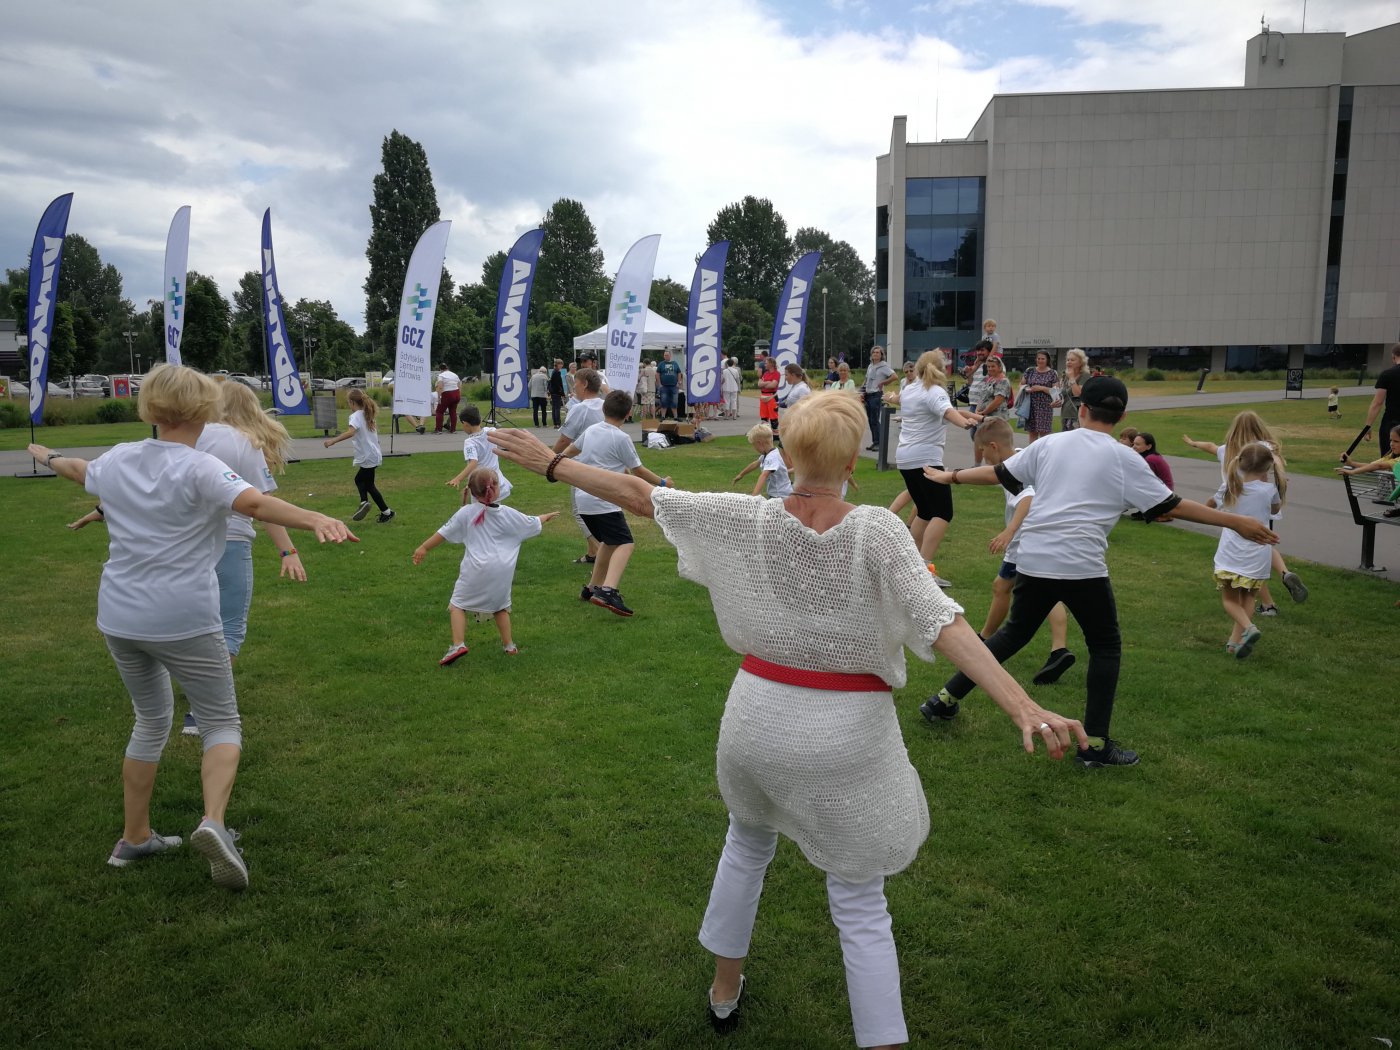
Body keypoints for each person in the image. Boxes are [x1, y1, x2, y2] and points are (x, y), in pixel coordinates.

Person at [487, 391, 1087, 1049]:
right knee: (858, 901)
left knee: (745, 844)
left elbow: (642, 498)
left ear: (788, 452)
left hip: (751, 721)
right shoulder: (875, 528)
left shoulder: (752, 517)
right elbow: (942, 619)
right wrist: (1021, 705)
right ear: (856, 456)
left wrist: (553, 464)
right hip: (842, 735)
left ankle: (724, 991)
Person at [28, 364, 354, 890]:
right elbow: (253, 502)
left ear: (148, 409)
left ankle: (134, 838)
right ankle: (213, 824)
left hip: (118, 615)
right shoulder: (199, 467)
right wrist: (316, 519)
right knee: (222, 723)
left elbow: (75, 469)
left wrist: (44, 454)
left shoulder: (118, 459)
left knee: (150, 720)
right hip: (182, 616)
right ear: (205, 412)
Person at [922, 376, 1278, 767]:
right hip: (1081, 565)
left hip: (1036, 560)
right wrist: (1234, 521)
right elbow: (1171, 506)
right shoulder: (1126, 458)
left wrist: (950, 475)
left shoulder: (1050, 442)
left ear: (1083, 410)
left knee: (1011, 636)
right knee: (1105, 647)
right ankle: (1093, 746)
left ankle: (942, 701)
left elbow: (999, 473)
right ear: (1122, 415)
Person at [967, 418, 1076, 684]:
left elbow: (1027, 497)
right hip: (1047, 537)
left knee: (1002, 587)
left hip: (1026, 542)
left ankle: (984, 643)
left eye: (983, 452)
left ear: (994, 446)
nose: (983, 459)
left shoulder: (1014, 470)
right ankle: (1058, 650)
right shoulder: (1023, 458)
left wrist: (1010, 531)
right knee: (1047, 593)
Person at [414, 468, 557, 663]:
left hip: (476, 568)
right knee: (501, 606)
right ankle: (509, 646)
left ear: (471, 491)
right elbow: (531, 523)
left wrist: (423, 547)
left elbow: (443, 533)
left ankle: (458, 645)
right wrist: (545, 516)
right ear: (496, 489)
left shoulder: (465, 513)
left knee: (457, 605)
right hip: (502, 570)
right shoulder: (508, 513)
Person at [1184, 411, 1306, 613]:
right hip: (1263, 507)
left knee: (1248, 557)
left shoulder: (1227, 450)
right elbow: (1278, 467)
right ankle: (1284, 574)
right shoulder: (1265, 449)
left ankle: (1266, 605)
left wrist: (1193, 443)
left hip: (1234, 511)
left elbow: (1211, 447)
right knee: (1262, 545)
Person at [565, 391, 672, 616]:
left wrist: (556, 463)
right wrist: (662, 482)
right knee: (625, 543)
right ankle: (608, 590)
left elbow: (569, 452)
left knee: (609, 542)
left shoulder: (591, 430)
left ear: (604, 410)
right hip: (604, 501)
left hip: (583, 500)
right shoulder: (620, 438)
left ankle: (592, 588)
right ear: (628, 413)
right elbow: (638, 470)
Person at [887, 350, 981, 587]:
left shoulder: (911, 388)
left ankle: (911, 566)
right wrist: (965, 423)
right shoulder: (934, 390)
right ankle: (924, 569)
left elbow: (936, 410)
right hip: (926, 459)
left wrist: (973, 416)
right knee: (943, 512)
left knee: (926, 512)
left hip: (906, 458)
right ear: (942, 369)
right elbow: (948, 413)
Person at [1212, 443, 1282, 659]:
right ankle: (1234, 642)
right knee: (1248, 598)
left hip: (1231, 551)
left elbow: (1212, 506)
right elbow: (1275, 509)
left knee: (1230, 600)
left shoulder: (1230, 486)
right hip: (1258, 551)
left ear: (1239, 463)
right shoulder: (1270, 490)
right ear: (1268, 467)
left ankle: (1248, 628)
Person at [553, 367, 606, 565]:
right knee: (598, 507)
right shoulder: (604, 406)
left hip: (581, 464)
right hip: (604, 462)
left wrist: (548, 460)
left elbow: (564, 440)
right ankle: (593, 552)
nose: (573, 387)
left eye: (576, 383)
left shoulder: (580, 409)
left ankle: (600, 550)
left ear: (584, 384)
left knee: (579, 509)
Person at [324, 388, 394, 523]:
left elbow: (351, 432)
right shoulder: (368, 414)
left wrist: (332, 441)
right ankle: (386, 512)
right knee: (368, 484)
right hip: (373, 454)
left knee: (360, 480)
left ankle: (364, 503)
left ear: (351, 402)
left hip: (368, 455)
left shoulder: (356, 416)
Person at [444, 403, 514, 499]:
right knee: (494, 510)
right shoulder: (491, 431)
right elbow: (507, 435)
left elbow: (473, 463)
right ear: (480, 420)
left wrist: (458, 479)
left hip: (481, 485)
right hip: (497, 483)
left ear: (465, 424)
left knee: (480, 511)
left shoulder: (470, 442)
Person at [1337, 424, 1400, 518]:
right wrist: (1351, 463)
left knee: (1385, 476)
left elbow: (1378, 466)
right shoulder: (1391, 457)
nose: (1391, 443)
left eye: (1396, 441)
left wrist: (1353, 472)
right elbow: (1372, 466)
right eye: (1391, 440)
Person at [969, 355, 1012, 466]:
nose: (990, 369)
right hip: (983, 418)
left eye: (993, 366)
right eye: (988, 367)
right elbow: (982, 396)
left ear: (999, 367)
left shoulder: (1003, 381)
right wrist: (978, 410)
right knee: (979, 440)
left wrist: (984, 412)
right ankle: (977, 466)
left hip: (996, 418)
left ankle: (1000, 467)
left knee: (996, 444)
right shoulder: (989, 379)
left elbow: (998, 400)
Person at [734, 422, 792, 498]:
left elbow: (764, 475)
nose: (755, 448)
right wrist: (741, 474)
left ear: (760, 443)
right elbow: (756, 463)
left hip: (781, 496)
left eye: (754, 445)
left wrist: (754, 496)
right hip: (777, 494)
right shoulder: (768, 454)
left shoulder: (772, 457)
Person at [1360, 342, 1400, 450]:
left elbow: (1377, 403)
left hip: (1392, 423)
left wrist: (1368, 425)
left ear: (1393, 356)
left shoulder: (1387, 375)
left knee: (1389, 461)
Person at [861, 346, 898, 450]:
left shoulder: (884, 366)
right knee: (871, 420)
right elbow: (866, 379)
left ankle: (879, 443)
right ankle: (875, 441)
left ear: (881, 355)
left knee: (875, 419)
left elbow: (895, 376)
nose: (875, 354)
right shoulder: (870, 366)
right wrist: (862, 391)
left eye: (878, 352)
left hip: (876, 395)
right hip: (868, 394)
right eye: (874, 352)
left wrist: (883, 382)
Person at [1019, 351, 1058, 443]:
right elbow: (1021, 385)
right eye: (1038, 358)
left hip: (1045, 407)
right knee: (1032, 433)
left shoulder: (1052, 373)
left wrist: (1041, 388)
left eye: (1042, 359)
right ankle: (1032, 454)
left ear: (1047, 360)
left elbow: (1056, 392)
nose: (1040, 361)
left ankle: (1044, 455)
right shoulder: (1030, 371)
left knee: (1044, 434)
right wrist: (1026, 389)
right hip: (1031, 405)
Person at [1059, 348, 1089, 432]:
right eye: (1068, 360)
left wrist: (1071, 377)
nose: (1069, 362)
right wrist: (1056, 401)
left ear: (1080, 363)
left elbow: (1078, 394)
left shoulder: (1085, 375)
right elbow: (1063, 394)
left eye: (1072, 360)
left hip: (1077, 416)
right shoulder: (1065, 376)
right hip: (1065, 415)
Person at [433, 364, 461, 434]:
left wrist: (439, 397)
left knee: (439, 411)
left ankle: (438, 429)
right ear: (447, 368)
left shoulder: (441, 375)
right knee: (453, 411)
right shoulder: (454, 375)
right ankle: (453, 429)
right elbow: (459, 385)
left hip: (447, 394)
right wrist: (458, 395)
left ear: (440, 369)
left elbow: (440, 387)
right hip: (456, 393)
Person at [757, 356, 781, 434]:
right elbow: (759, 384)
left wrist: (764, 384)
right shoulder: (766, 373)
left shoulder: (776, 373)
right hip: (763, 396)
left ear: (771, 364)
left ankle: (775, 434)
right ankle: (765, 433)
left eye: (766, 363)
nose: (765, 365)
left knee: (773, 416)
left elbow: (773, 385)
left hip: (772, 396)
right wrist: (768, 383)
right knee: (764, 416)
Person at [656, 348, 681, 420]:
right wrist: (659, 384)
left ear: (670, 356)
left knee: (674, 402)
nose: (665, 356)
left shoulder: (675, 363)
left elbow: (679, 373)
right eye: (664, 355)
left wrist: (679, 382)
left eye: (667, 355)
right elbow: (657, 374)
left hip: (674, 386)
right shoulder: (661, 364)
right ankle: (663, 417)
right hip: (664, 386)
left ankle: (676, 417)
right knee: (664, 402)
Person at [548, 358, 566, 427]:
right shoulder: (557, 372)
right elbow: (558, 384)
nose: (561, 365)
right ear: (556, 364)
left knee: (554, 408)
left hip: (554, 392)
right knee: (557, 408)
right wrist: (562, 393)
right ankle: (557, 423)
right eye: (560, 364)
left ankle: (555, 423)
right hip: (556, 392)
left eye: (562, 364)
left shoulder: (554, 371)